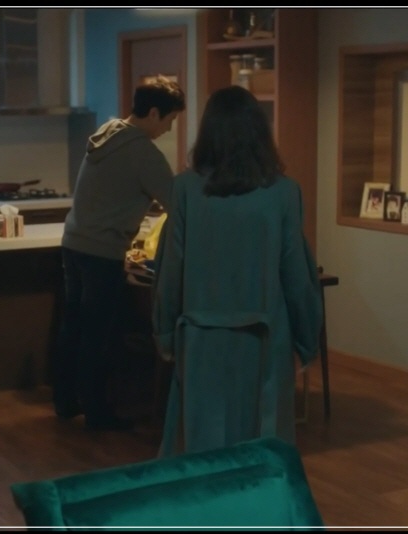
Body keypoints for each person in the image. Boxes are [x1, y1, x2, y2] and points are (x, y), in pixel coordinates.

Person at [152, 85, 323, 458]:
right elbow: (297, 277)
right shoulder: (283, 193)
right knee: (260, 455)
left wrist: (165, 335)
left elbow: (170, 270)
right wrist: (307, 342)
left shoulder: (185, 190)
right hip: (265, 344)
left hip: (200, 342)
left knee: (200, 453)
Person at [54, 75, 186, 432]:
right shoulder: (143, 152)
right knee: (99, 334)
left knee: (74, 326)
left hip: (74, 242)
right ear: (154, 113)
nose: (169, 128)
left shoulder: (107, 132)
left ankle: (65, 401)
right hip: (102, 250)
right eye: (171, 119)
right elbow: (177, 203)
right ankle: (97, 413)